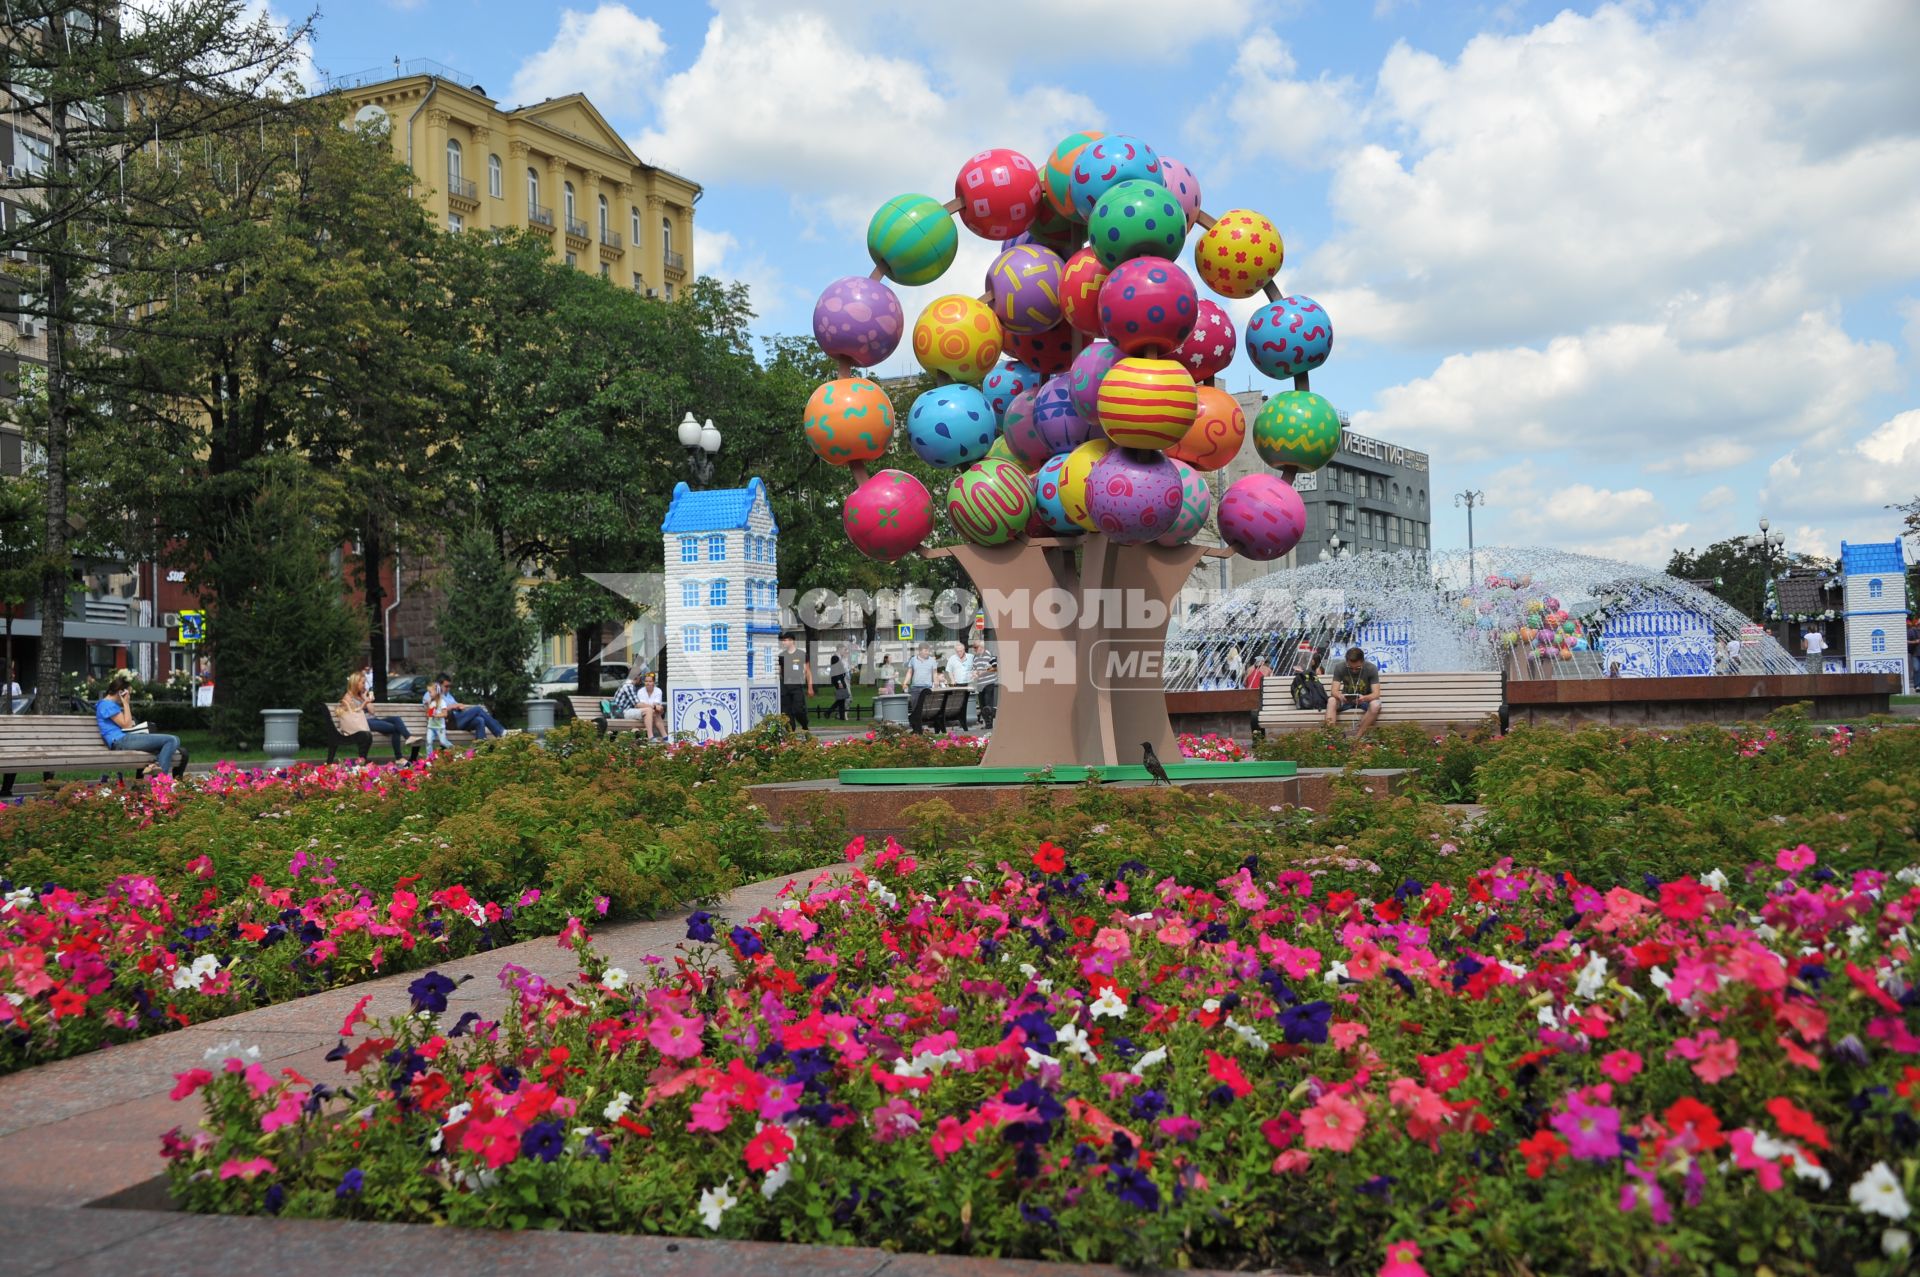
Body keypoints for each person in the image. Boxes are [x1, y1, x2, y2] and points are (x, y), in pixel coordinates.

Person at [95, 669, 184, 779]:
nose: (129, 697)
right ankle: (160, 780)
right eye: (128, 694)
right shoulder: (106, 705)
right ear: (120, 692)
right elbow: (126, 725)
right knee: (171, 740)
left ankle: (155, 768)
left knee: (175, 739)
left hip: (125, 739)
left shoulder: (109, 705)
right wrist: (126, 704)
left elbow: (126, 724)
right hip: (120, 741)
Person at [338, 670, 414, 761]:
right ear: (355, 683)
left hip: (372, 720)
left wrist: (365, 698)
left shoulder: (360, 696)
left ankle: (408, 737)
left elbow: (372, 711)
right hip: (363, 723)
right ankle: (399, 758)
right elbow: (354, 714)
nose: (364, 685)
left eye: (365, 682)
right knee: (395, 728)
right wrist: (365, 703)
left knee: (396, 719)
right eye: (362, 683)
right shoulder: (348, 697)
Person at [428, 673, 506, 740]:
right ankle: (499, 732)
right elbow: (433, 709)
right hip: (450, 722)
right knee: (478, 709)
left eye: (450, 686)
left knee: (480, 720)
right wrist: (452, 706)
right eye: (446, 686)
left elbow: (454, 705)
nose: (448, 688)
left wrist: (459, 706)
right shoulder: (432, 694)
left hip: (458, 719)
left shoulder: (448, 695)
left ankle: (480, 750)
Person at [1326, 645, 1382, 734]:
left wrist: (1364, 698)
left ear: (1363, 662)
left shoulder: (1371, 668)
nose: (1354, 671)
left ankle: (1357, 737)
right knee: (1331, 700)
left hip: (1364, 700)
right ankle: (1331, 737)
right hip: (1346, 700)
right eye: (1350, 668)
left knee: (1375, 704)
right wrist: (1340, 696)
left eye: (1358, 668)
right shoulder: (1340, 667)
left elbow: (1376, 694)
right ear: (1347, 662)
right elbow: (1334, 691)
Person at [778, 634, 813, 730]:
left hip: (796, 686)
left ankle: (804, 725)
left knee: (799, 710)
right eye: (783, 640)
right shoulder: (781, 656)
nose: (784, 642)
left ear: (792, 641)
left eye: (786, 640)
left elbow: (808, 671)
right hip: (785, 687)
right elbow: (779, 671)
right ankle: (791, 732)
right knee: (786, 712)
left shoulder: (801, 654)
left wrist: (810, 687)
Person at [905, 642, 938, 733]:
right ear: (920, 651)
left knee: (924, 709)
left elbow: (935, 673)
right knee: (916, 709)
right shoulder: (913, 660)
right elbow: (909, 672)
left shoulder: (932, 660)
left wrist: (936, 683)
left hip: (926, 689)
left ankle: (919, 729)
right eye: (925, 651)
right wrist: (905, 682)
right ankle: (917, 729)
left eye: (928, 651)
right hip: (915, 689)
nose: (927, 652)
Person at [970, 637, 998, 728]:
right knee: (982, 705)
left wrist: (984, 671)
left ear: (981, 647)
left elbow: (995, 667)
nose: (974, 649)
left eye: (975, 647)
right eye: (973, 647)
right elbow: (974, 669)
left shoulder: (989, 654)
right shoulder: (975, 657)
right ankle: (988, 724)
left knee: (987, 704)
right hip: (980, 684)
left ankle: (992, 719)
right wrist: (974, 673)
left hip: (989, 682)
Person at [827, 649, 851, 720]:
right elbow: (837, 674)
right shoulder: (835, 662)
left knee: (841, 700)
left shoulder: (836, 662)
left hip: (840, 681)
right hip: (839, 682)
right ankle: (831, 713)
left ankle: (837, 715)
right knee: (841, 699)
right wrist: (839, 682)